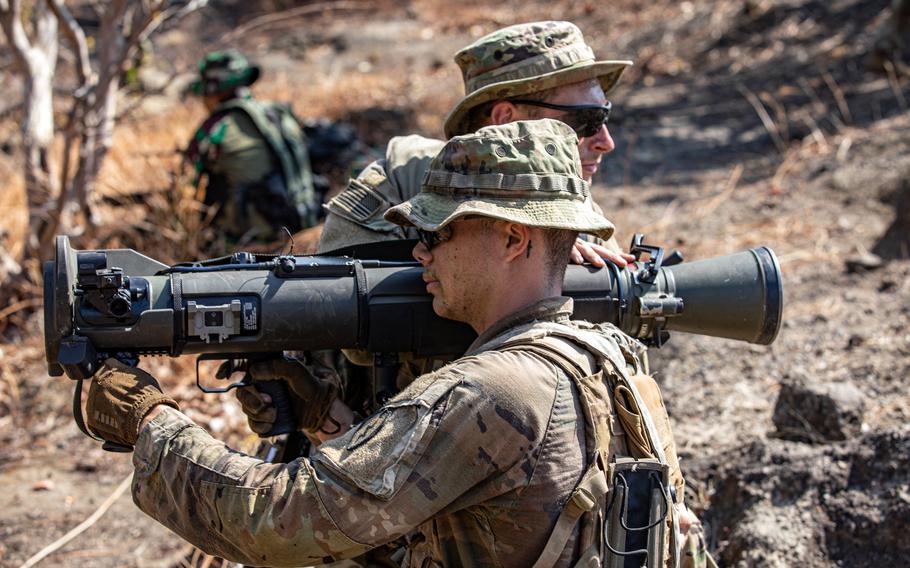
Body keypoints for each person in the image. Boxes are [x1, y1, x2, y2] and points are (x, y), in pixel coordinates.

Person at [84, 120, 692, 567]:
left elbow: (283, 523)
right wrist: (329, 417)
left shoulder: (489, 390)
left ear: (513, 238)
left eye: (439, 232)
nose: (420, 252)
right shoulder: (602, 352)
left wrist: (150, 424)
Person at [318, 21, 636, 269]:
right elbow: (331, 318)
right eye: (584, 122)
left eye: (604, 116)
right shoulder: (397, 186)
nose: (605, 142)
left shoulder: (574, 204)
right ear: (505, 119)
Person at [185, 50, 321, 245]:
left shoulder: (217, 126)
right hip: (303, 225)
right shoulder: (279, 113)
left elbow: (187, 181)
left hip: (251, 242)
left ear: (213, 91)